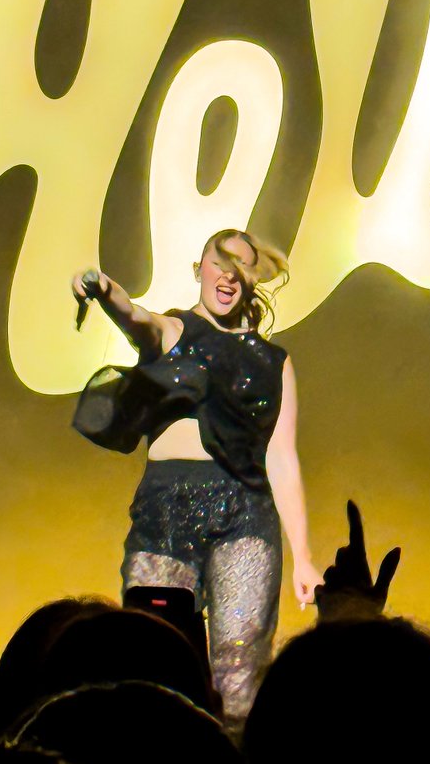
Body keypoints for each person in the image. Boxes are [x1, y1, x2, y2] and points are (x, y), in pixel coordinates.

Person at [70, 229, 321, 722]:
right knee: (151, 662)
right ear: (198, 269)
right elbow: (132, 314)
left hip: (244, 515)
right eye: (219, 261)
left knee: (239, 667)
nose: (228, 275)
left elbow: (282, 458)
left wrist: (305, 557)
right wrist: (100, 287)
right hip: (166, 511)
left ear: (252, 281)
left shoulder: (274, 362)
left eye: (242, 266)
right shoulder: (171, 331)